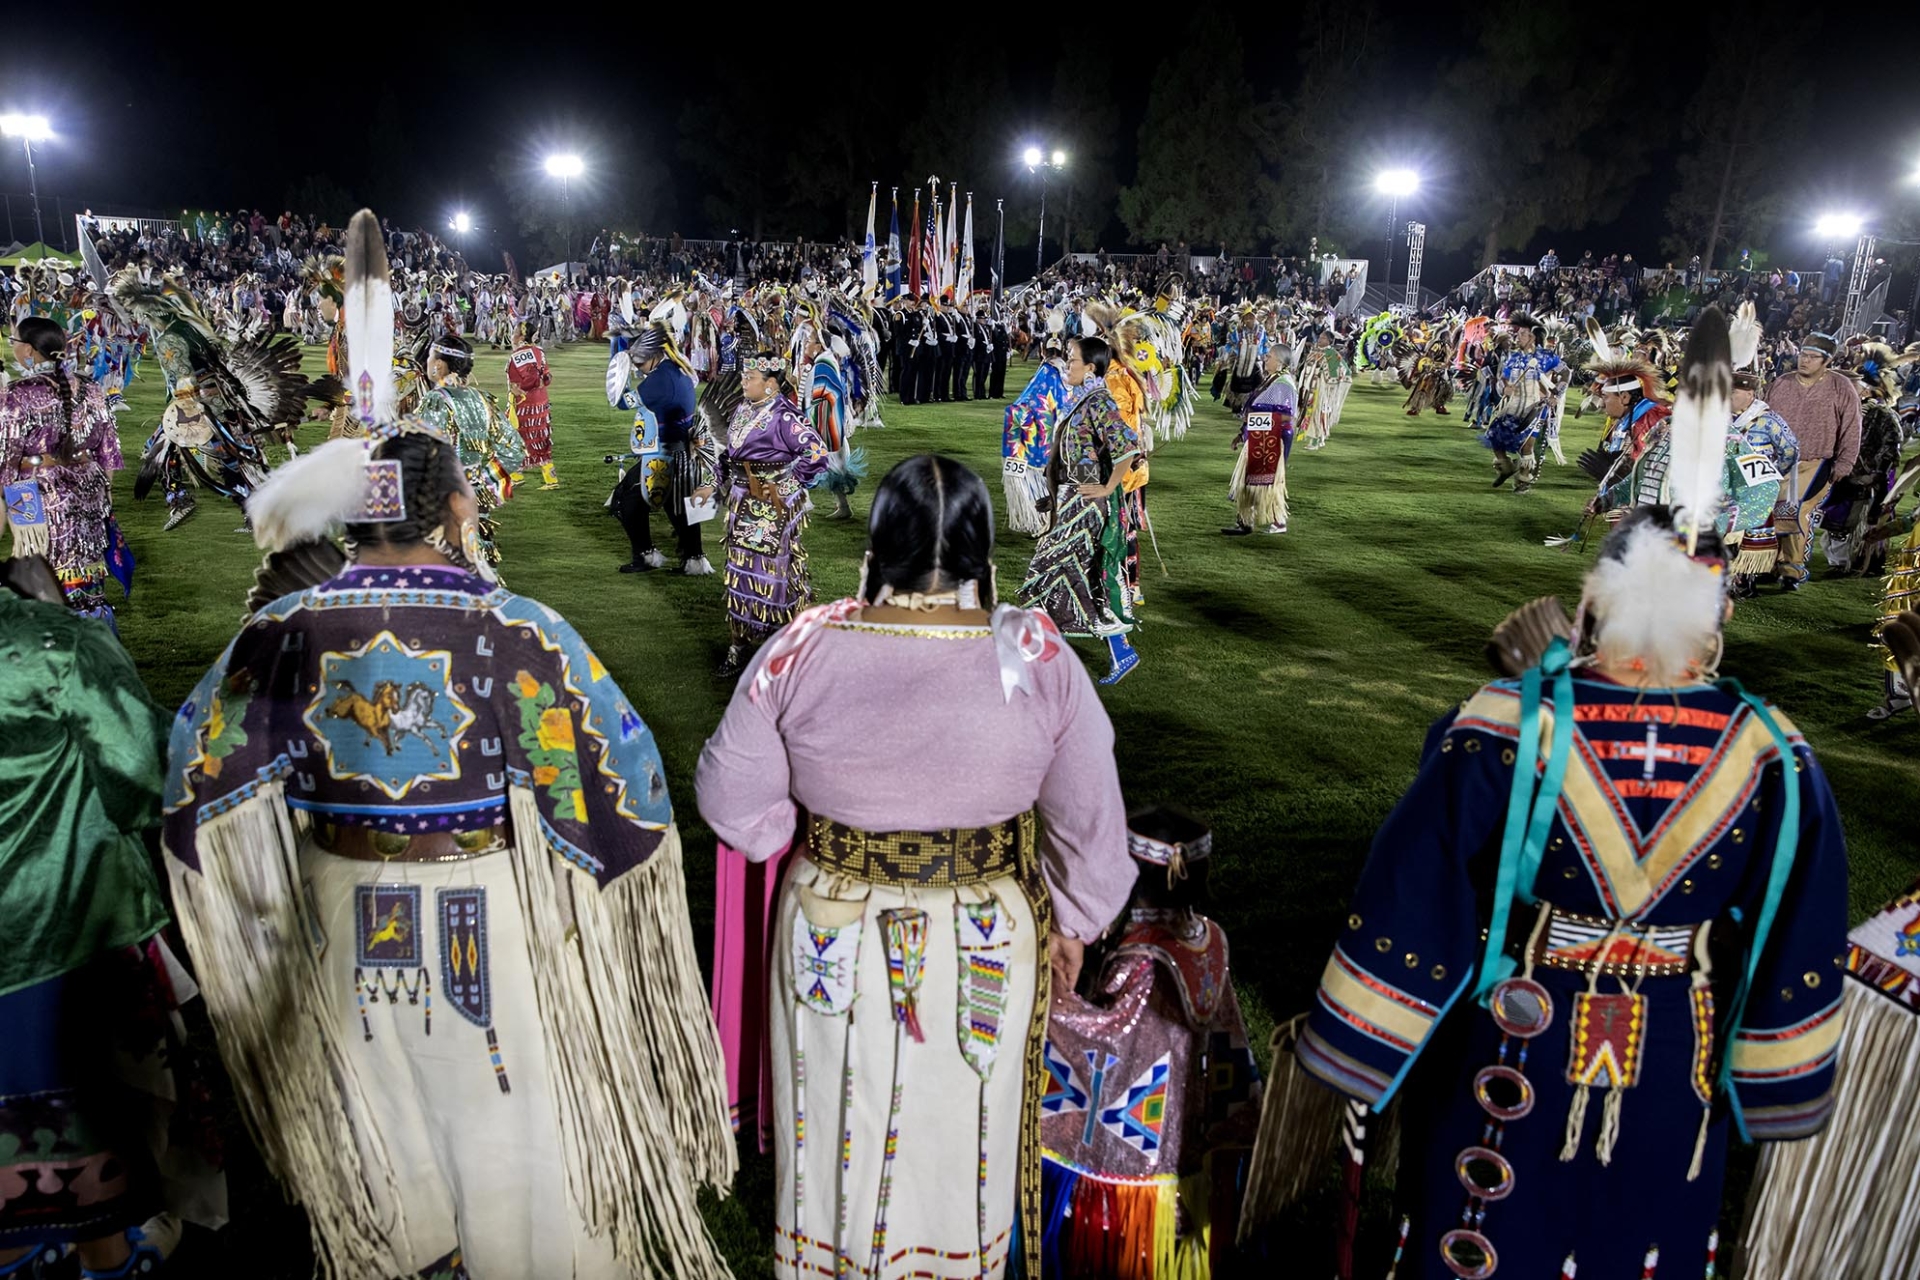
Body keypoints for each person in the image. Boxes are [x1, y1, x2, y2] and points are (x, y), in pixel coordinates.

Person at [160, 212, 735, 1280]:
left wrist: (273, 879)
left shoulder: (283, 631)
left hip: (337, 921)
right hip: (489, 921)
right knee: (508, 1143)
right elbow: (622, 786)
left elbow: (196, 780)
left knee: (382, 1158)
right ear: (461, 508)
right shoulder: (516, 632)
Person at [1291, 492, 1848, 1273]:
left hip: (1522, 1024)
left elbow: (1423, 865)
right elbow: (1804, 914)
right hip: (1675, 1041)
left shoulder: (1506, 720)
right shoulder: (1773, 748)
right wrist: (1776, 1071)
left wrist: (1364, 1043)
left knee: (1491, 1221)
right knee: (1641, 1224)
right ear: (1714, 615)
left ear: (1602, 600)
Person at [695, 454, 1133, 1280]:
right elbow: (1090, 816)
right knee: (965, 1127)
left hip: (833, 924)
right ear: (982, 552)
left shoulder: (803, 645)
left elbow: (730, 799)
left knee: (835, 1123)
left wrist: (799, 827)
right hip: (988, 935)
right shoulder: (1036, 654)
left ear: (875, 548)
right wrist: (1076, 921)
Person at [0, 556, 216, 1280]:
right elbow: (143, 768)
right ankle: (104, 1256)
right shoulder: (45, 645)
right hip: (60, 940)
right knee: (89, 1143)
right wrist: (67, 620)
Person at [1039, 807, 1263, 1277]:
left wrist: (1049, 994)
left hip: (1136, 1147)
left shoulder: (1139, 957)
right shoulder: (1209, 938)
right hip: (1183, 1124)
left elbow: (1102, 1033)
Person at [1020, 335, 1144, 685]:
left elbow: (1126, 447)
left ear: (1091, 367)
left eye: (1072, 360)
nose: (1067, 366)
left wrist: (1106, 487)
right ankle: (1119, 651)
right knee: (1077, 576)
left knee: (1048, 570)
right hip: (1072, 498)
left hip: (1085, 504)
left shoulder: (1099, 400)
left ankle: (1038, 655)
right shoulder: (1084, 398)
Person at [712, 348, 830, 678]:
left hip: (772, 505)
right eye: (743, 376)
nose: (743, 382)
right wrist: (713, 482)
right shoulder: (743, 409)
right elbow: (730, 456)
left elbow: (816, 452)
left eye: (749, 378)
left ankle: (780, 647)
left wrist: (786, 484)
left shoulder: (785, 417)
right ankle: (739, 644)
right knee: (739, 568)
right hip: (741, 500)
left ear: (771, 385)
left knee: (773, 572)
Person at [1, 317, 126, 625]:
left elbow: (4, 466)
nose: (11, 347)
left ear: (29, 351)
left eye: (13, 342)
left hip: (34, 496)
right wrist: (102, 502)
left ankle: (60, 654)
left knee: (43, 576)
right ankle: (99, 651)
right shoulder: (93, 389)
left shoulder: (16, 395)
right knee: (87, 580)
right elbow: (108, 453)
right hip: (90, 492)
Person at [609, 322, 713, 575]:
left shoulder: (658, 381)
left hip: (663, 454)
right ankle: (694, 561)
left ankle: (645, 556)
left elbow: (621, 402)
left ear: (654, 355)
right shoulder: (681, 368)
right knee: (680, 508)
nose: (638, 368)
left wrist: (618, 369)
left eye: (640, 364)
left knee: (626, 500)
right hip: (685, 452)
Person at [413, 333, 523, 568]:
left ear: (440, 365)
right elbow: (514, 450)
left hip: (443, 501)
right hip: (474, 499)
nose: (428, 363)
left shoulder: (436, 400)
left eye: (431, 357)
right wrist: (481, 481)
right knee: (475, 569)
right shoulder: (482, 399)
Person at [1764, 332, 1861, 589]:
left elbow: (1852, 427)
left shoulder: (1841, 387)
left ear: (1826, 361)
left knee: (1795, 509)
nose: (1804, 360)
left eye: (1812, 357)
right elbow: (1763, 417)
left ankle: (1791, 569)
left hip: (1814, 461)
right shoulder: (1781, 383)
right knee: (1769, 510)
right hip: (1775, 461)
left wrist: (1845, 463)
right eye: (1803, 355)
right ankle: (1770, 562)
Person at [1481, 314, 1563, 493]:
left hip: (1535, 407)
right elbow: (1503, 378)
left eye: (1522, 334)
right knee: (1494, 435)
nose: (1518, 337)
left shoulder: (1547, 356)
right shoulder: (1514, 357)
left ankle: (1523, 480)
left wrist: (1556, 393)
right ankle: (1507, 468)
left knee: (1527, 445)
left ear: (1532, 337)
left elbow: (1565, 373)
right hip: (1513, 405)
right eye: (1518, 334)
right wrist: (1504, 388)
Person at [1224, 346, 1295, 536]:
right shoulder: (1271, 380)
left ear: (1280, 361)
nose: (1265, 359)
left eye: (1269, 356)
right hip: (1259, 436)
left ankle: (1278, 521)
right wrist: (1242, 433)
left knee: (1269, 481)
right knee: (1248, 479)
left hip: (1273, 438)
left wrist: (1254, 421)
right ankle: (1245, 521)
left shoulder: (1283, 383)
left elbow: (1288, 416)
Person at [505, 320, 558, 489]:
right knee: (540, 439)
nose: (512, 336)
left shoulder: (515, 357)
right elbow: (547, 378)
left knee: (511, 437)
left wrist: (517, 393)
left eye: (514, 333)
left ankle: (515, 474)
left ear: (521, 336)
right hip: (541, 402)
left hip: (523, 403)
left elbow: (515, 387)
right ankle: (551, 480)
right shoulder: (539, 352)